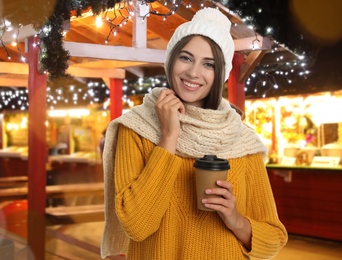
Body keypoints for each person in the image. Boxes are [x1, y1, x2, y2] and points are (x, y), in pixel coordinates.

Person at [100, 7, 287, 260]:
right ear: (171, 60)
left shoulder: (241, 140)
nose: (193, 73)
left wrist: (235, 220)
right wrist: (168, 137)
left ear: (220, 73)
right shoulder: (136, 129)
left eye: (208, 64)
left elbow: (274, 239)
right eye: (186, 58)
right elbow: (137, 226)